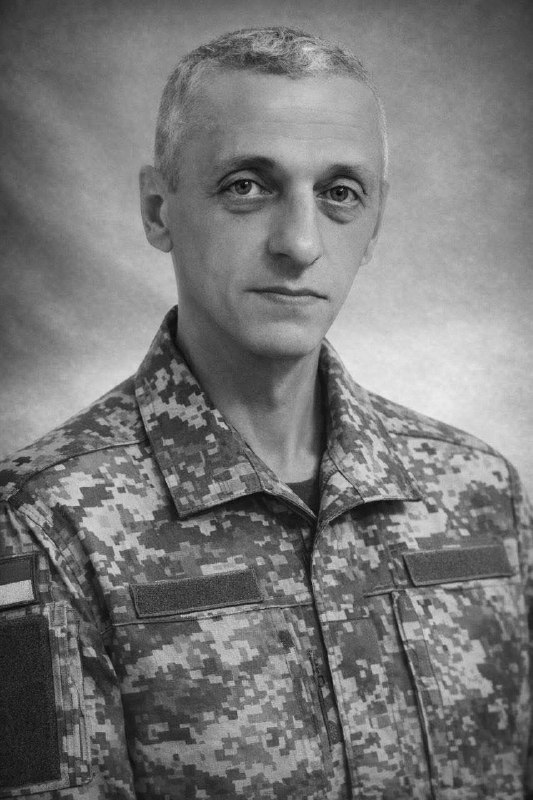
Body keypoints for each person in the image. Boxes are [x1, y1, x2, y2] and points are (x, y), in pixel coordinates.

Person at [0, 25, 530, 800]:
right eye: (247, 185)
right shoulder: (44, 522)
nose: (300, 243)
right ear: (157, 210)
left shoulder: (478, 492)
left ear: (375, 223)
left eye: (339, 193)